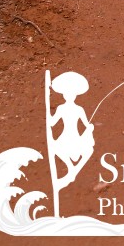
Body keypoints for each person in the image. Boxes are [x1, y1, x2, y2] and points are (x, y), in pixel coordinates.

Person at [46, 71, 94, 199]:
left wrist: (89, 127)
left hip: (69, 137)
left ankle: (72, 169)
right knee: (59, 149)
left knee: (85, 150)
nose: (70, 96)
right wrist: (90, 127)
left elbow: (52, 122)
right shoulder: (73, 109)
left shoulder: (72, 109)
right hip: (71, 136)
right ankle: (72, 169)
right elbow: (86, 124)